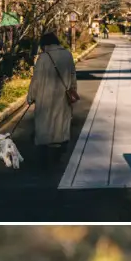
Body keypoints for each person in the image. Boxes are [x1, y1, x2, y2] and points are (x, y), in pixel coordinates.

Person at [26, 31, 77, 165]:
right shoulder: (67, 55)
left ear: (44, 44)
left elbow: (36, 80)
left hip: (45, 99)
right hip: (63, 99)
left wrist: (31, 97)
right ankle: (58, 153)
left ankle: (44, 158)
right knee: (60, 125)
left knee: (45, 126)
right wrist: (73, 93)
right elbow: (72, 77)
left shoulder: (43, 58)